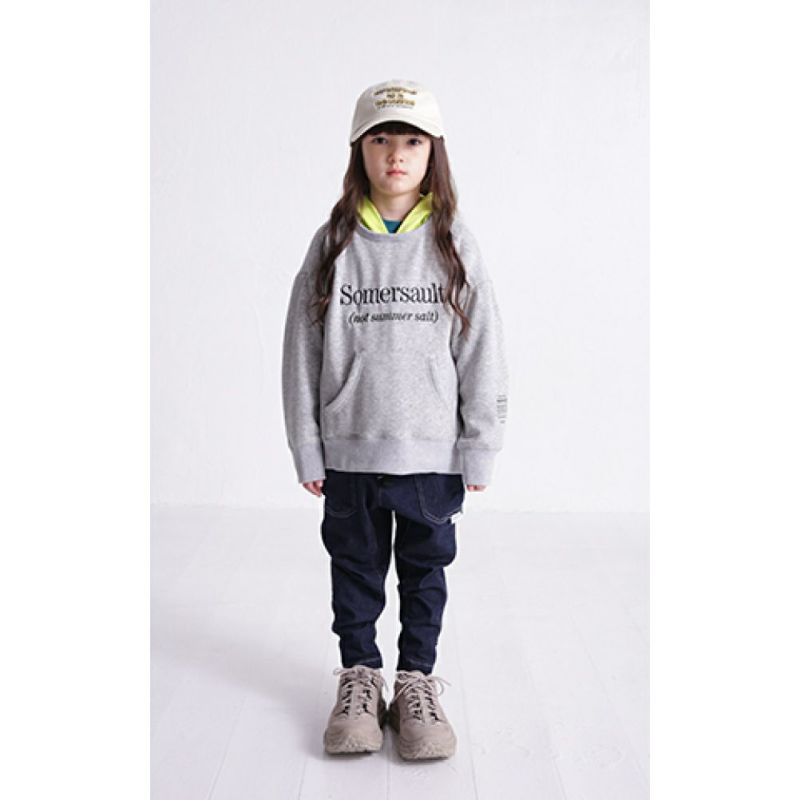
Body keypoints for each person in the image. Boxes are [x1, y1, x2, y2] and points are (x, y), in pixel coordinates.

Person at [281, 78, 509, 760]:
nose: (396, 155)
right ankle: (359, 679)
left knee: (423, 574)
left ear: (433, 151)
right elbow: (300, 351)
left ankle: (415, 684)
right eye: (380, 139)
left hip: (430, 456)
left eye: (412, 140)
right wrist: (307, 447)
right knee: (354, 572)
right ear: (359, 149)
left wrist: (480, 445)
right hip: (349, 454)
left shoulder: (454, 243)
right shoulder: (332, 243)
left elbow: (483, 348)